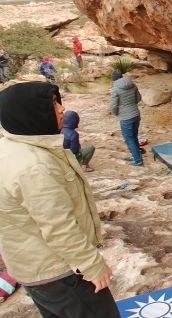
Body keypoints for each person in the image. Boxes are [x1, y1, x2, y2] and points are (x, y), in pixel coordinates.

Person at [0, 82, 118, 318]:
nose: (61, 109)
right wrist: (92, 265)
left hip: (37, 269)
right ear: (30, 114)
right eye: (52, 105)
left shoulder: (13, 147)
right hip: (62, 273)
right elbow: (58, 226)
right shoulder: (34, 166)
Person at [109, 70, 143, 166]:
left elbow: (113, 105)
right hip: (136, 114)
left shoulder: (115, 89)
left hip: (125, 117)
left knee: (129, 138)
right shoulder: (132, 84)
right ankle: (136, 156)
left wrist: (117, 113)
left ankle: (137, 160)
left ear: (113, 79)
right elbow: (139, 98)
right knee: (134, 136)